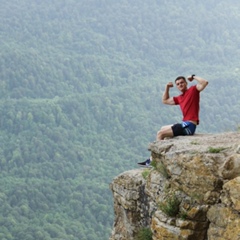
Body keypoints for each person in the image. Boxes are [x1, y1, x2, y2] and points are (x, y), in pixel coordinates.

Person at [138, 74, 208, 166]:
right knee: (163, 128)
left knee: (160, 134)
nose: (180, 85)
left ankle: (154, 161)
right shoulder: (180, 98)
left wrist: (193, 76)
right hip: (184, 124)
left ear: (186, 83)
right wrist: (167, 87)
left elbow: (204, 82)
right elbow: (165, 100)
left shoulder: (193, 90)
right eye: (178, 84)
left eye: (182, 82)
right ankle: (160, 156)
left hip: (189, 126)